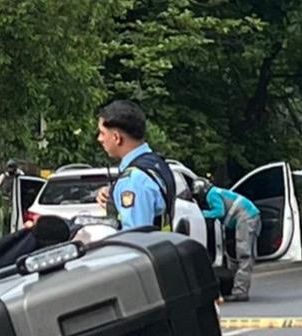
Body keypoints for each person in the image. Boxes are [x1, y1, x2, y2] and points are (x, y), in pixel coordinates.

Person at [93, 100, 175, 232]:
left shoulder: (134, 180)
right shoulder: (155, 163)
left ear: (116, 138)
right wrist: (113, 194)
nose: (99, 139)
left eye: (102, 133)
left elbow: (135, 241)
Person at [194, 178, 261, 301]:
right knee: (236, 254)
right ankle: (237, 288)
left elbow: (219, 212)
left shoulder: (212, 195)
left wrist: (201, 214)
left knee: (244, 254)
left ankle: (240, 292)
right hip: (247, 216)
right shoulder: (216, 191)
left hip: (246, 217)